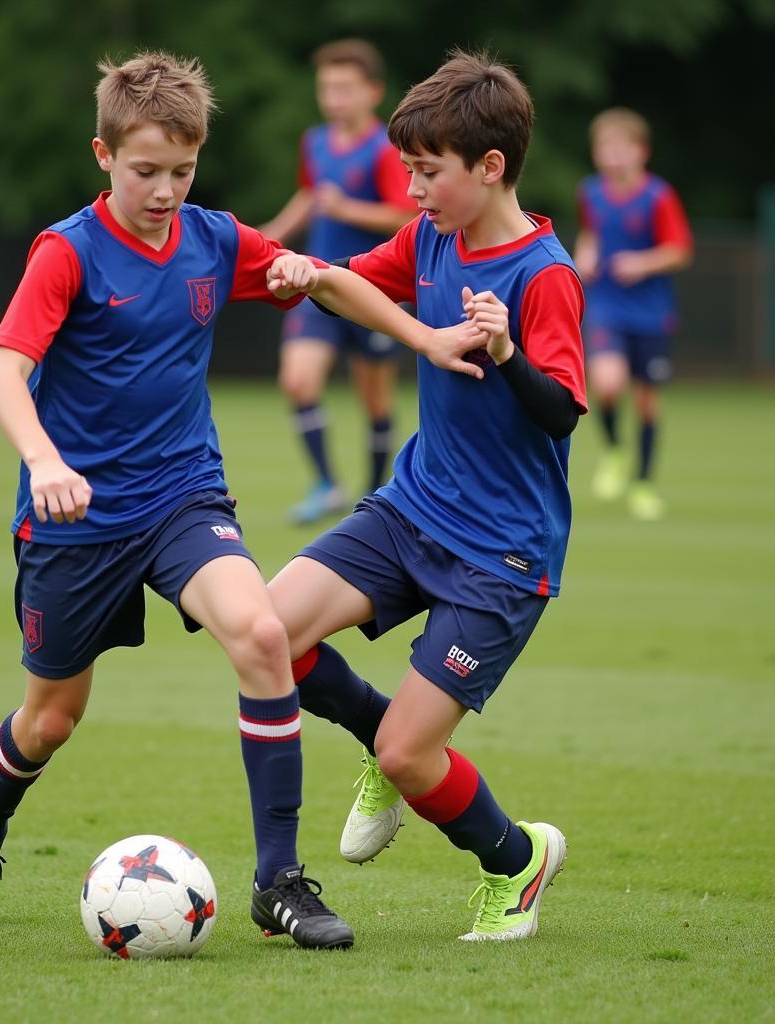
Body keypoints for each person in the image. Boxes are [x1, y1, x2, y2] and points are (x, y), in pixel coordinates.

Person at [0, 51, 484, 950]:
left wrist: (422, 333)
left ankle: (278, 882)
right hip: (78, 518)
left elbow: (326, 277)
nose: (165, 190)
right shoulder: (65, 252)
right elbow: (4, 373)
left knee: (263, 633)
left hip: (183, 497)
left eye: (182, 171)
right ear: (102, 154)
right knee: (50, 719)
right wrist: (44, 462)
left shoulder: (214, 239)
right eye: (146, 170)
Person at [264, 49, 586, 942]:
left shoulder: (544, 274)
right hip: (412, 510)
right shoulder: (432, 239)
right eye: (407, 168)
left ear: (490, 167)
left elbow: (560, 414)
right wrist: (308, 276)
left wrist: (508, 350)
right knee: (264, 632)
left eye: (427, 171)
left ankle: (516, 861)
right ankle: (385, 742)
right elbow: (358, 284)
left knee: (414, 755)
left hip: (502, 552)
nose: (411, 188)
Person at [259, 39, 415, 524]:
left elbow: (407, 216)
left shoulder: (386, 148)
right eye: (327, 88)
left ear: (373, 91)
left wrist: (349, 208)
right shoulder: (316, 142)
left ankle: (375, 494)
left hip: (371, 288)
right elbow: (311, 195)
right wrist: (267, 236)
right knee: (298, 380)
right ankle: (326, 483)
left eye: (345, 88)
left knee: (375, 399)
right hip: (318, 281)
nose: (334, 98)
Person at [574, 107, 693, 521]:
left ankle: (643, 483)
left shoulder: (658, 196)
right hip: (606, 304)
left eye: (621, 148)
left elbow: (679, 250)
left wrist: (642, 263)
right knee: (606, 384)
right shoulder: (590, 192)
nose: (612, 156)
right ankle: (613, 452)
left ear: (641, 152)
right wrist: (584, 254)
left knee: (645, 402)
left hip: (651, 312)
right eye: (604, 148)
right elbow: (591, 232)